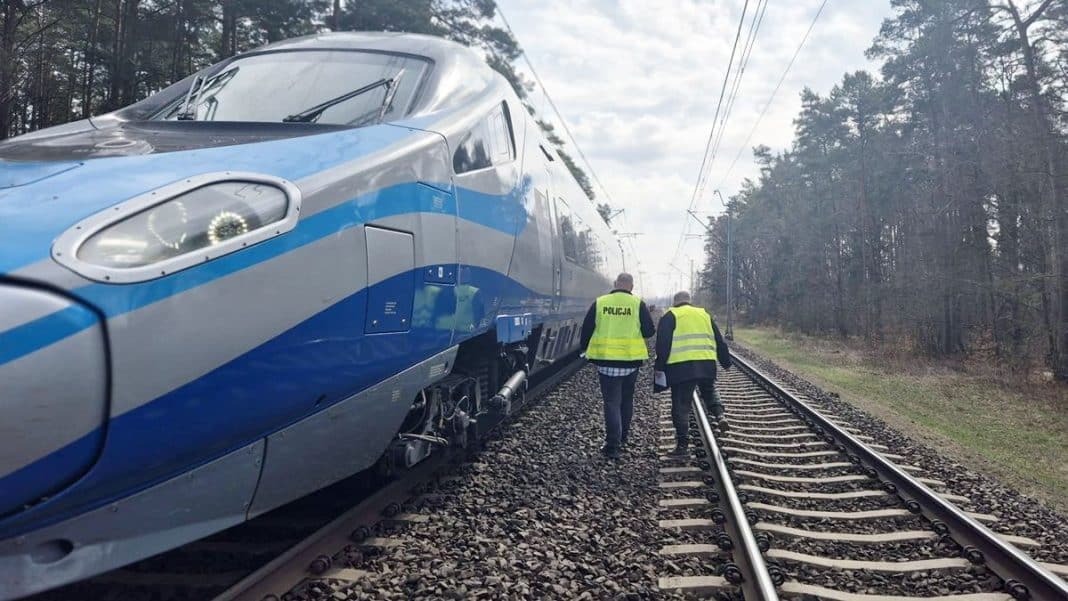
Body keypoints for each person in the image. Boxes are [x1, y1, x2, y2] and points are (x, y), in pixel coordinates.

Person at [580, 272, 656, 459]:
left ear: (615, 284)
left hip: (606, 361)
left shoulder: (600, 302)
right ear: (631, 286)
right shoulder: (638, 304)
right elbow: (649, 331)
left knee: (611, 402)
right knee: (627, 400)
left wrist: (585, 351)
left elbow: (586, 330)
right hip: (631, 362)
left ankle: (613, 445)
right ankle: (623, 438)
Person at [654, 291, 732, 456]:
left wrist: (659, 367)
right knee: (709, 391)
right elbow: (719, 341)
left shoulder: (670, 315)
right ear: (690, 301)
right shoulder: (704, 314)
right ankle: (720, 415)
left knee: (681, 406)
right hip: (706, 364)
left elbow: (663, 345)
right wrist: (726, 362)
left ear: (675, 302)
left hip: (681, 368)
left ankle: (682, 446)